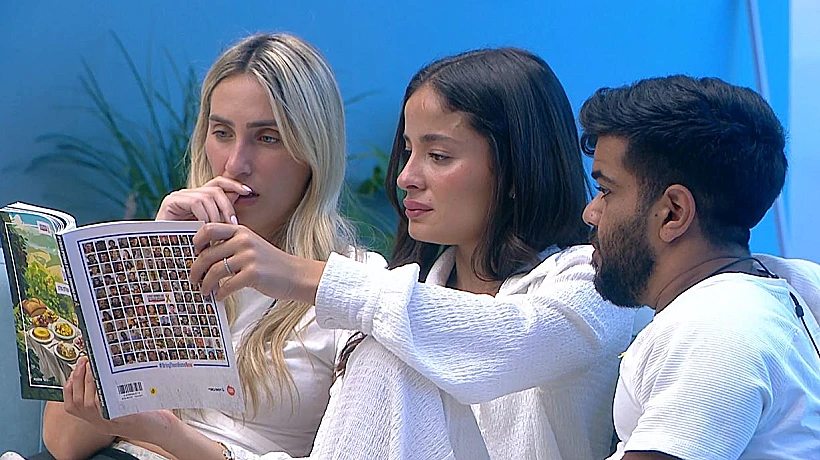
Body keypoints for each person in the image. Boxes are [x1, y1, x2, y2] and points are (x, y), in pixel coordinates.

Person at [63, 48, 635, 459]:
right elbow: (62, 436)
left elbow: (500, 340)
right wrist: (151, 265)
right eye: (408, 151)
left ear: (515, 169)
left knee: (389, 347)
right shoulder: (411, 292)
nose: (405, 177)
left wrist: (303, 276)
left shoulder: (592, 287)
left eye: (438, 156)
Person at [41, 32, 385, 459]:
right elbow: (63, 442)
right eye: (222, 132)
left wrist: (168, 435)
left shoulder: (352, 286)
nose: (235, 163)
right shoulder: (181, 247)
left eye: (267, 138)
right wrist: (151, 259)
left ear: (313, 151)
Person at [579, 75, 820, 459]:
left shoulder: (715, 328)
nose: (591, 213)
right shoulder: (761, 295)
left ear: (673, 213)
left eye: (606, 190)